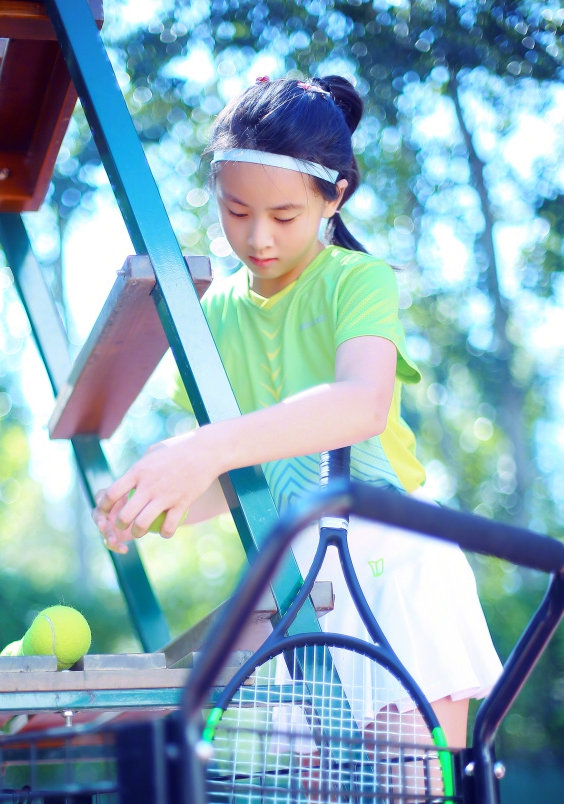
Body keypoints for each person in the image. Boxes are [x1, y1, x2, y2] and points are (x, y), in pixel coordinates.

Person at [91, 73, 502, 753]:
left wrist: (206, 450)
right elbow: (251, 468)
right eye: (234, 210)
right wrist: (157, 500)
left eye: (283, 216)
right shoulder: (213, 312)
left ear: (334, 196)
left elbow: (359, 404)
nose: (257, 237)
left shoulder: (358, 279)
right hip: (299, 594)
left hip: (393, 573)